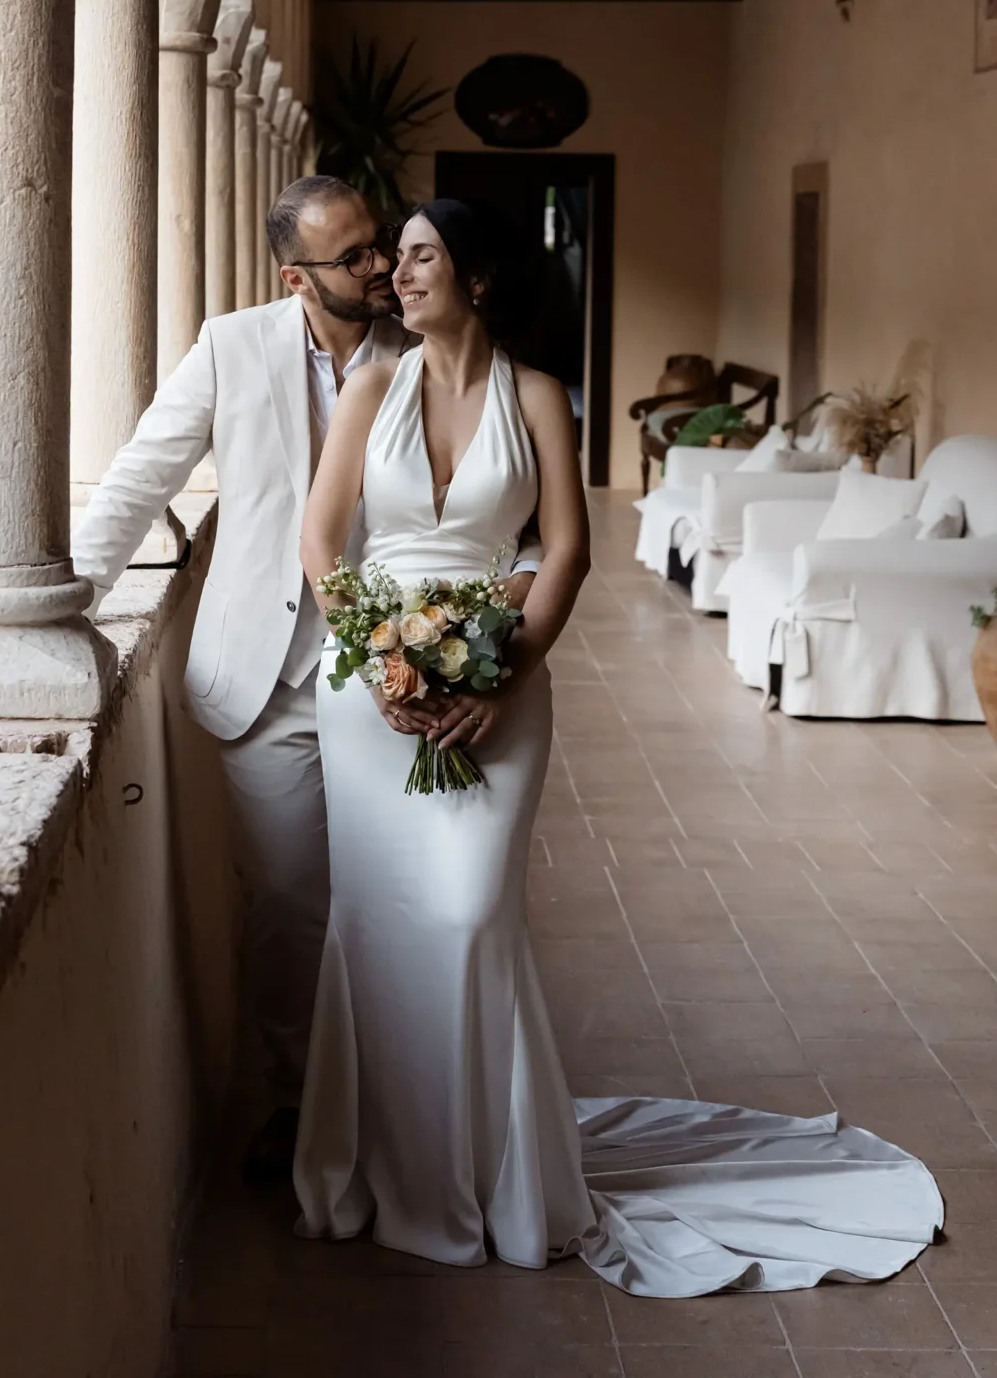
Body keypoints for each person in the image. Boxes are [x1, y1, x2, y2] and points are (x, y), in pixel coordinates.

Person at [294, 197, 943, 1288]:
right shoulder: (368, 384)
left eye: (419, 257)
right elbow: (319, 536)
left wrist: (504, 680)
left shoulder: (539, 395)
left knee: (469, 914)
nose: (396, 275)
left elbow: (566, 551)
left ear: (478, 277)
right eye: (393, 260)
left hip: (501, 676)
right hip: (367, 694)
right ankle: (383, 1167)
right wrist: (369, 654)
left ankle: (491, 1178)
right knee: (374, 924)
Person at [70, 177, 537, 1181]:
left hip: (403, 680)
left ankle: (408, 1110)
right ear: (296, 275)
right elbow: (142, 473)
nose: (380, 266)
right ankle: (301, 1104)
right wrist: (60, 605)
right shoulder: (232, 347)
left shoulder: (420, 352)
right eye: (354, 256)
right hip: (262, 675)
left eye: (384, 246)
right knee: (285, 903)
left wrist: (465, 658)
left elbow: (505, 521)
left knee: (400, 896)